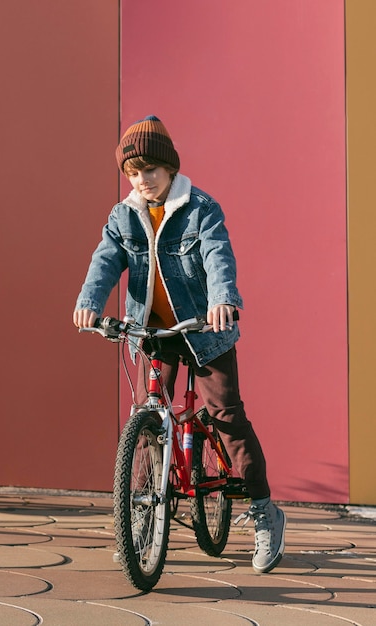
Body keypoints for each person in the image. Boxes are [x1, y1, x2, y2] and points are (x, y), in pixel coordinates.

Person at [73, 115, 286, 573]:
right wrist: (89, 301)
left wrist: (223, 299)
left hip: (204, 331)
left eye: (150, 169)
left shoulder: (201, 208)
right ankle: (139, 526)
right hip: (154, 333)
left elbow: (216, 256)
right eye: (133, 171)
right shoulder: (122, 215)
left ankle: (265, 512)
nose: (142, 179)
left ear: (170, 169)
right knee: (148, 416)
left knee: (225, 415)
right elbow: (105, 260)